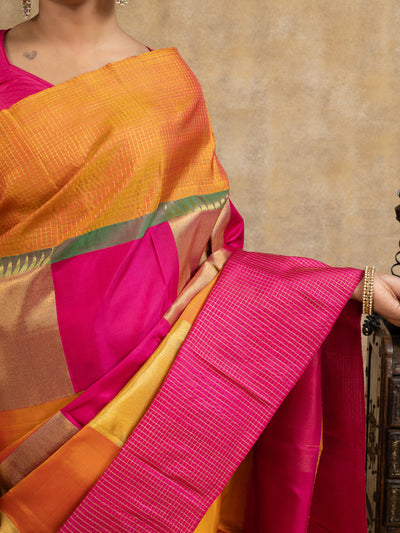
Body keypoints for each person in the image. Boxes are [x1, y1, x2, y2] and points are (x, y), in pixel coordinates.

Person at [1, 1, 400, 532]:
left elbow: (216, 256)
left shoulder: (167, 84)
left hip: (159, 384)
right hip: (19, 392)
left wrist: (329, 289)